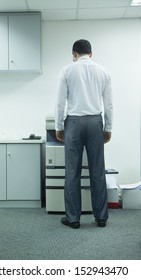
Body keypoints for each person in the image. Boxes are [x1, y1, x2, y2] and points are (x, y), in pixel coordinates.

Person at [55, 39, 113, 229]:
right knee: (97, 171)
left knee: (72, 172)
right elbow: (109, 104)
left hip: (74, 122)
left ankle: (73, 219)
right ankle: (101, 218)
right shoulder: (104, 71)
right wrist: (108, 128)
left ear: (74, 54)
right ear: (91, 53)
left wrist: (58, 126)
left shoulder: (67, 70)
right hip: (95, 122)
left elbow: (60, 102)